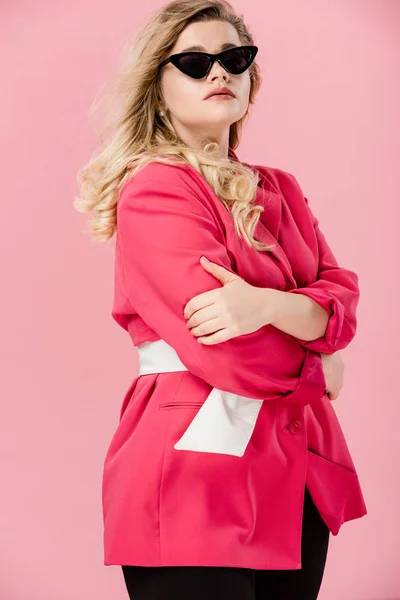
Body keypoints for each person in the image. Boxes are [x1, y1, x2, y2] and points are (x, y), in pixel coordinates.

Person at [74, 1, 367, 598]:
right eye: (195, 61)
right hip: (197, 471)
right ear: (157, 88)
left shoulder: (280, 187)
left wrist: (266, 307)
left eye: (234, 59)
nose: (219, 74)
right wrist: (318, 359)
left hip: (296, 467)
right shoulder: (155, 190)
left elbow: (343, 298)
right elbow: (227, 354)